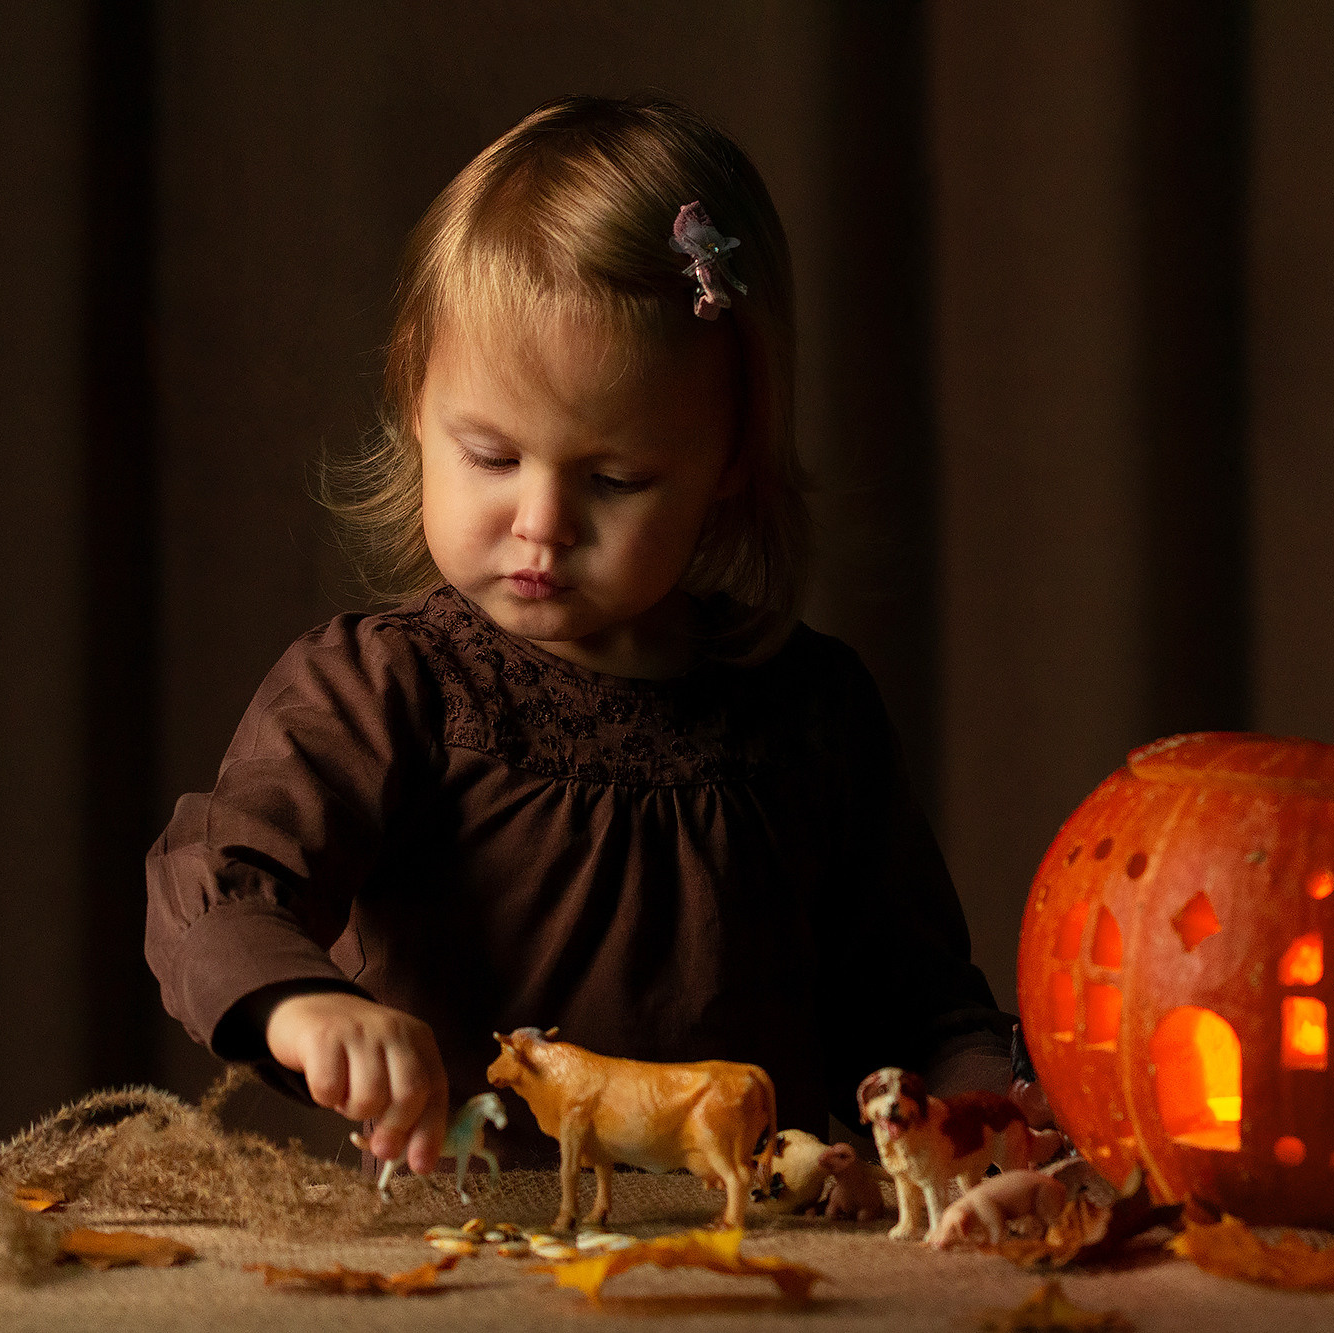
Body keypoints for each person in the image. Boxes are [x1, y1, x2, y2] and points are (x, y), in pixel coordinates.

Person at [144, 95, 1012, 1181]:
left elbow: (915, 1000)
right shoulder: (382, 687)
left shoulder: (809, 711)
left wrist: (991, 1114)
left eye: (614, 479)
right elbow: (223, 876)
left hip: (770, 1259)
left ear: (728, 460)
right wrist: (303, 1003)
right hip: (476, 1255)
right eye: (492, 456)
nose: (541, 523)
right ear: (414, 402)